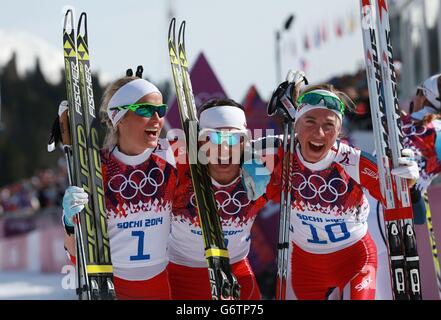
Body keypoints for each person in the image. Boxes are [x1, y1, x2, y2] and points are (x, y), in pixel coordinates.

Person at [245, 83, 420, 300]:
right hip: (305, 265)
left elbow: (400, 199)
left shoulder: (352, 160)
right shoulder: (279, 151)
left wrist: (409, 180)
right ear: (296, 125)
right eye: (310, 122)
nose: (319, 133)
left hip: (354, 260)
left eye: (329, 125)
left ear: (339, 131)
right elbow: (227, 154)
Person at [61, 75, 177, 299]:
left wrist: (250, 163)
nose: (156, 118)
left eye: (160, 110)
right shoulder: (95, 169)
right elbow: (76, 254)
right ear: (119, 117)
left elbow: (222, 151)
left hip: (159, 286)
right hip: (111, 288)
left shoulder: (172, 158)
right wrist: (69, 222)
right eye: (145, 110)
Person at [167, 98, 270, 300]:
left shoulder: (261, 170)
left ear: (244, 142)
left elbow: (306, 155)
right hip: (181, 275)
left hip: (235, 274)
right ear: (200, 142)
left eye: (232, 139)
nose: (224, 148)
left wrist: (295, 117)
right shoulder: (179, 166)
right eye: (214, 138)